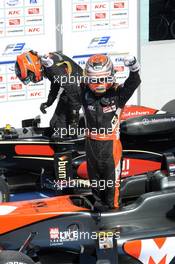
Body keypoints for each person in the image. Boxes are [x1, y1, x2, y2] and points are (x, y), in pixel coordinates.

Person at [81, 54, 141, 211]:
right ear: (88, 79)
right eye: (95, 80)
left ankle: (114, 210)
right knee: (95, 181)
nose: (99, 84)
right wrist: (49, 65)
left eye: (103, 79)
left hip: (111, 145)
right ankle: (97, 209)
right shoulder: (84, 92)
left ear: (110, 76)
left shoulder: (118, 94)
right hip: (91, 144)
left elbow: (133, 83)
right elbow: (67, 79)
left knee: (111, 183)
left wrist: (134, 68)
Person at [15, 50, 83, 137]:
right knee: (54, 124)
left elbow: (74, 92)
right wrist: (49, 102)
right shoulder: (47, 65)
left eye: (30, 76)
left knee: (60, 127)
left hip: (78, 89)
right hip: (72, 89)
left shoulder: (53, 68)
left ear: (33, 67)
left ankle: (72, 142)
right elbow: (55, 83)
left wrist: (74, 120)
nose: (32, 80)